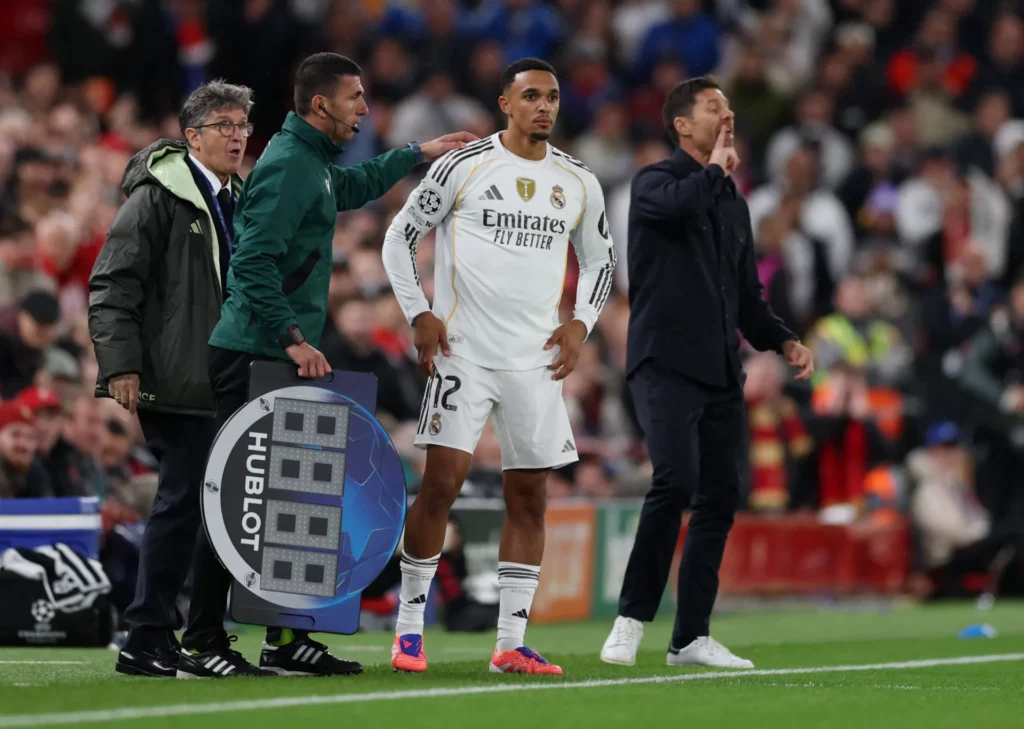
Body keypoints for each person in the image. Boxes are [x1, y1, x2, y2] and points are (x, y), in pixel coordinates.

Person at [179, 52, 476, 680]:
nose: (365, 109)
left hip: (273, 350)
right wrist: (292, 337)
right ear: (320, 106)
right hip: (253, 352)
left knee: (298, 501)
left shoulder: (309, 163)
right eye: (356, 98)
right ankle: (200, 639)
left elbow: (351, 187)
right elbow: (251, 264)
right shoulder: (289, 167)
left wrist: (417, 152)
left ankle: (285, 640)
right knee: (239, 496)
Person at [381, 57, 616, 676]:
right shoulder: (464, 164)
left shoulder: (579, 181)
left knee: (530, 497)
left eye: (553, 97)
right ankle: (409, 630)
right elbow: (399, 237)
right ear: (505, 104)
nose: (544, 106)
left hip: (536, 362)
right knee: (440, 486)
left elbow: (600, 261)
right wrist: (418, 312)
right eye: (531, 96)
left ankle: (510, 642)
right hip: (465, 352)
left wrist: (581, 323)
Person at [599, 76, 813, 669]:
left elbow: (747, 298)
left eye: (729, 108)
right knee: (675, 479)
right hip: (663, 362)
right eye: (712, 108)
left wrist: (783, 341)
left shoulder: (733, 203)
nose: (727, 115)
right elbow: (676, 207)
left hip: (720, 367)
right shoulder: (654, 183)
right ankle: (631, 619)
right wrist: (716, 171)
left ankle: (690, 636)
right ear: (682, 126)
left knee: (721, 493)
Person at [88, 80, 255, 677]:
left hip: (223, 375)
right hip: (175, 376)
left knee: (207, 507)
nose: (237, 136)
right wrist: (121, 365)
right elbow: (113, 283)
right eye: (225, 126)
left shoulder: (235, 197)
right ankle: (144, 636)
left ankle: (192, 634)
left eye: (242, 126)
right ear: (192, 137)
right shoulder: (159, 195)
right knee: (183, 502)